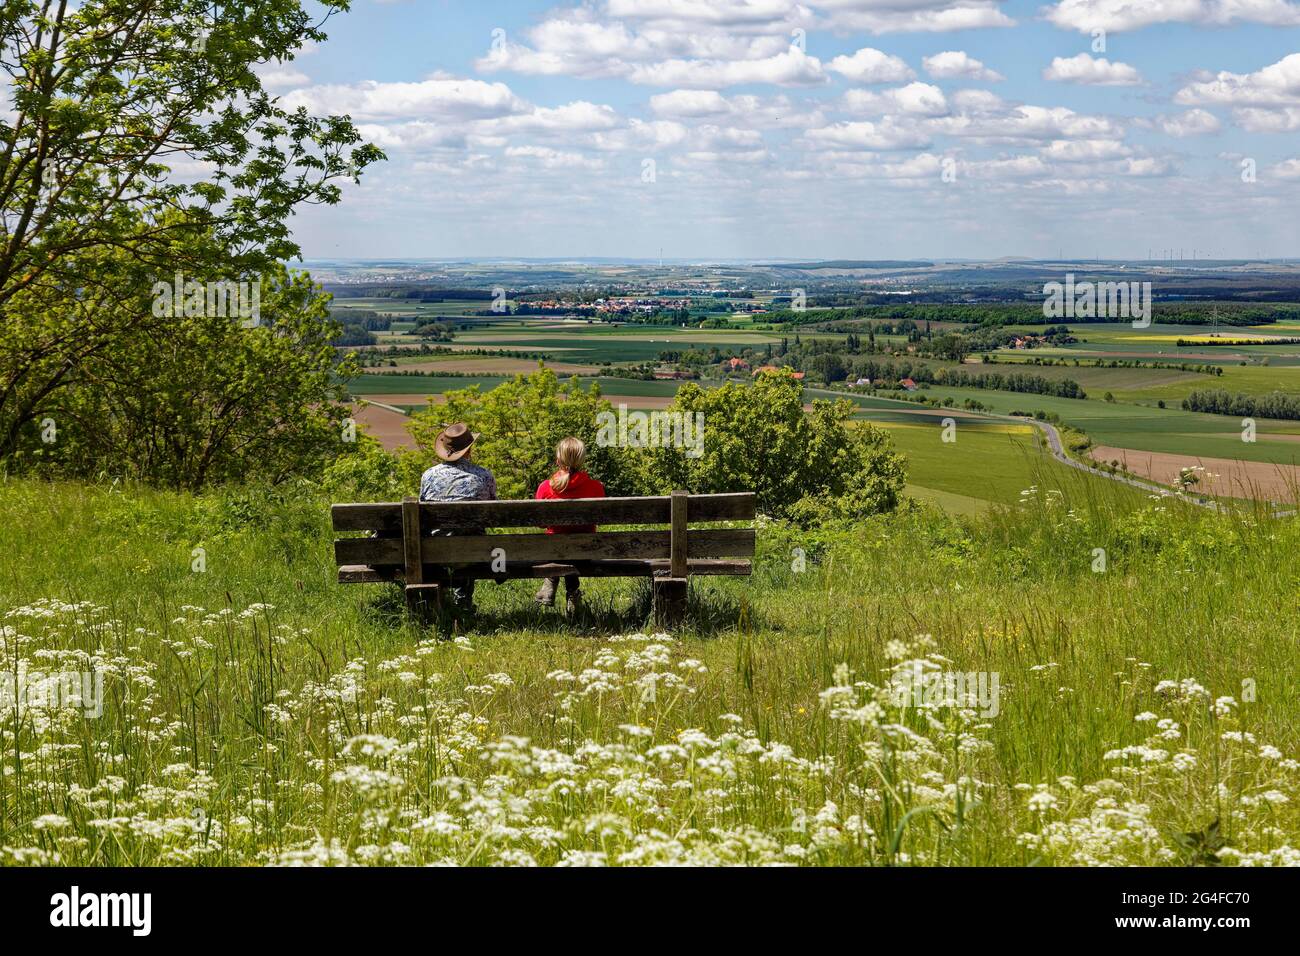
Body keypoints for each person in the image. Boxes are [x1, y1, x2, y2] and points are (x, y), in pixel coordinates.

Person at [419, 423, 497, 614]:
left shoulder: (428, 476)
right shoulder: (484, 476)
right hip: (475, 553)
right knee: (470, 535)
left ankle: (443, 602)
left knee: (446, 537)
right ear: (469, 449)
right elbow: (494, 514)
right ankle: (463, 602)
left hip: (435, 553)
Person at [534, 437, 605, 615]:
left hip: (552, 552)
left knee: (560, 548)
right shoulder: (596, 487)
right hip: (585, 552)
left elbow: (540, 523)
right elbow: (601, 518)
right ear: (582, 460)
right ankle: (573, 594)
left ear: (558, 460)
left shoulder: (545, 487)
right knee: (573, 548)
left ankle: (551, 579)